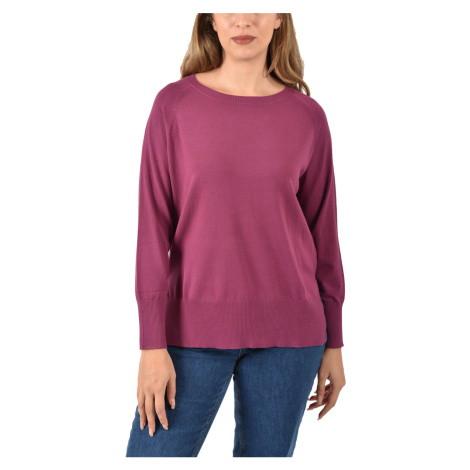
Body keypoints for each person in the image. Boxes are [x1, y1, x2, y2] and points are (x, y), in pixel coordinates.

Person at [126, 13, 346, 458]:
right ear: (209, 18)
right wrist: (151, 342)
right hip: (189, 330)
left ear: (280, 18)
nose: (243, 20)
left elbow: (324, 235)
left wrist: (335, 341)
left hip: (292, 336)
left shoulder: (308, 116)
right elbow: (152, 229)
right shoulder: (174, 106)